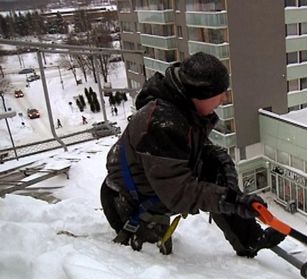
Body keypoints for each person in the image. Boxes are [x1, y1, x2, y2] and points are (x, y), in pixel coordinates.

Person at [100, 52, 285, 256]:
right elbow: (181, 194)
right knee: (158, 265)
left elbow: (198, 151)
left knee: (216, 166)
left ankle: (249, 239)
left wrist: (226, 176)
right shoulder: (162, 123)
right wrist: (232, 201)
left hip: (156, 188)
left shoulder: (183, 107)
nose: (224, 99)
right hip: (132, 204)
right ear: (200, 94)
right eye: (220, 93)